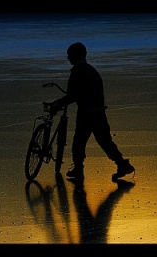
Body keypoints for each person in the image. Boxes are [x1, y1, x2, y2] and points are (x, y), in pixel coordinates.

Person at [50, 42, 135, 181]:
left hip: (86, 113)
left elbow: (73, 95)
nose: (68, 58)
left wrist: (58, 103)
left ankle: (78, 169)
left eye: (69, 55)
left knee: (78, 143)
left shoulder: (77, 71)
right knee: (105, 141)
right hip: (99, 112)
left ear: (76, 55)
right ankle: (122, 164)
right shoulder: (91, 70)